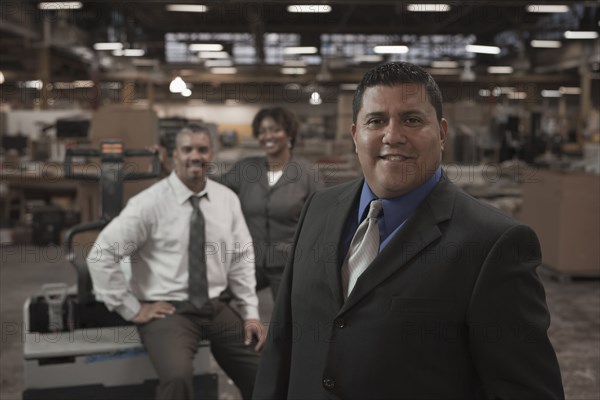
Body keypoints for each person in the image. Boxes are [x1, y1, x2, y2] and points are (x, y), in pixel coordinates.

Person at [252, 62, 564, 399]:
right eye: (376, 121)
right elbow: (282, 345)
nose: (393, 136)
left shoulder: (493, 244)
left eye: (412, 120)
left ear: (442, 132)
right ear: (356, 134)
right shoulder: (318, 209)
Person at [88, 124, 265, 400]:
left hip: (216, 307)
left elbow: (242, 257)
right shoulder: (148, 204)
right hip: (170, 312)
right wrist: (132, 308)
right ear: (173, 156)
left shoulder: (226, 200)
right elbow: (101, 254)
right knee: (177, 378)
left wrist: (251, 313)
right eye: (187, 149)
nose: (196, 156)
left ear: (211, 154)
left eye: (202, 149)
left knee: (264, 372)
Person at [221, 107, 323, 299]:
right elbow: (212, 187)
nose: (268, 136)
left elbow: (321, 220)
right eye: (262, 131)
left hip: (289, 263)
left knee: (288, 319)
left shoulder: (308, 173)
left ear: (289, 133)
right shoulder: (246, 169)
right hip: (250, 260)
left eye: (275, 129)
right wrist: (173, 169)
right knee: (217, 296)